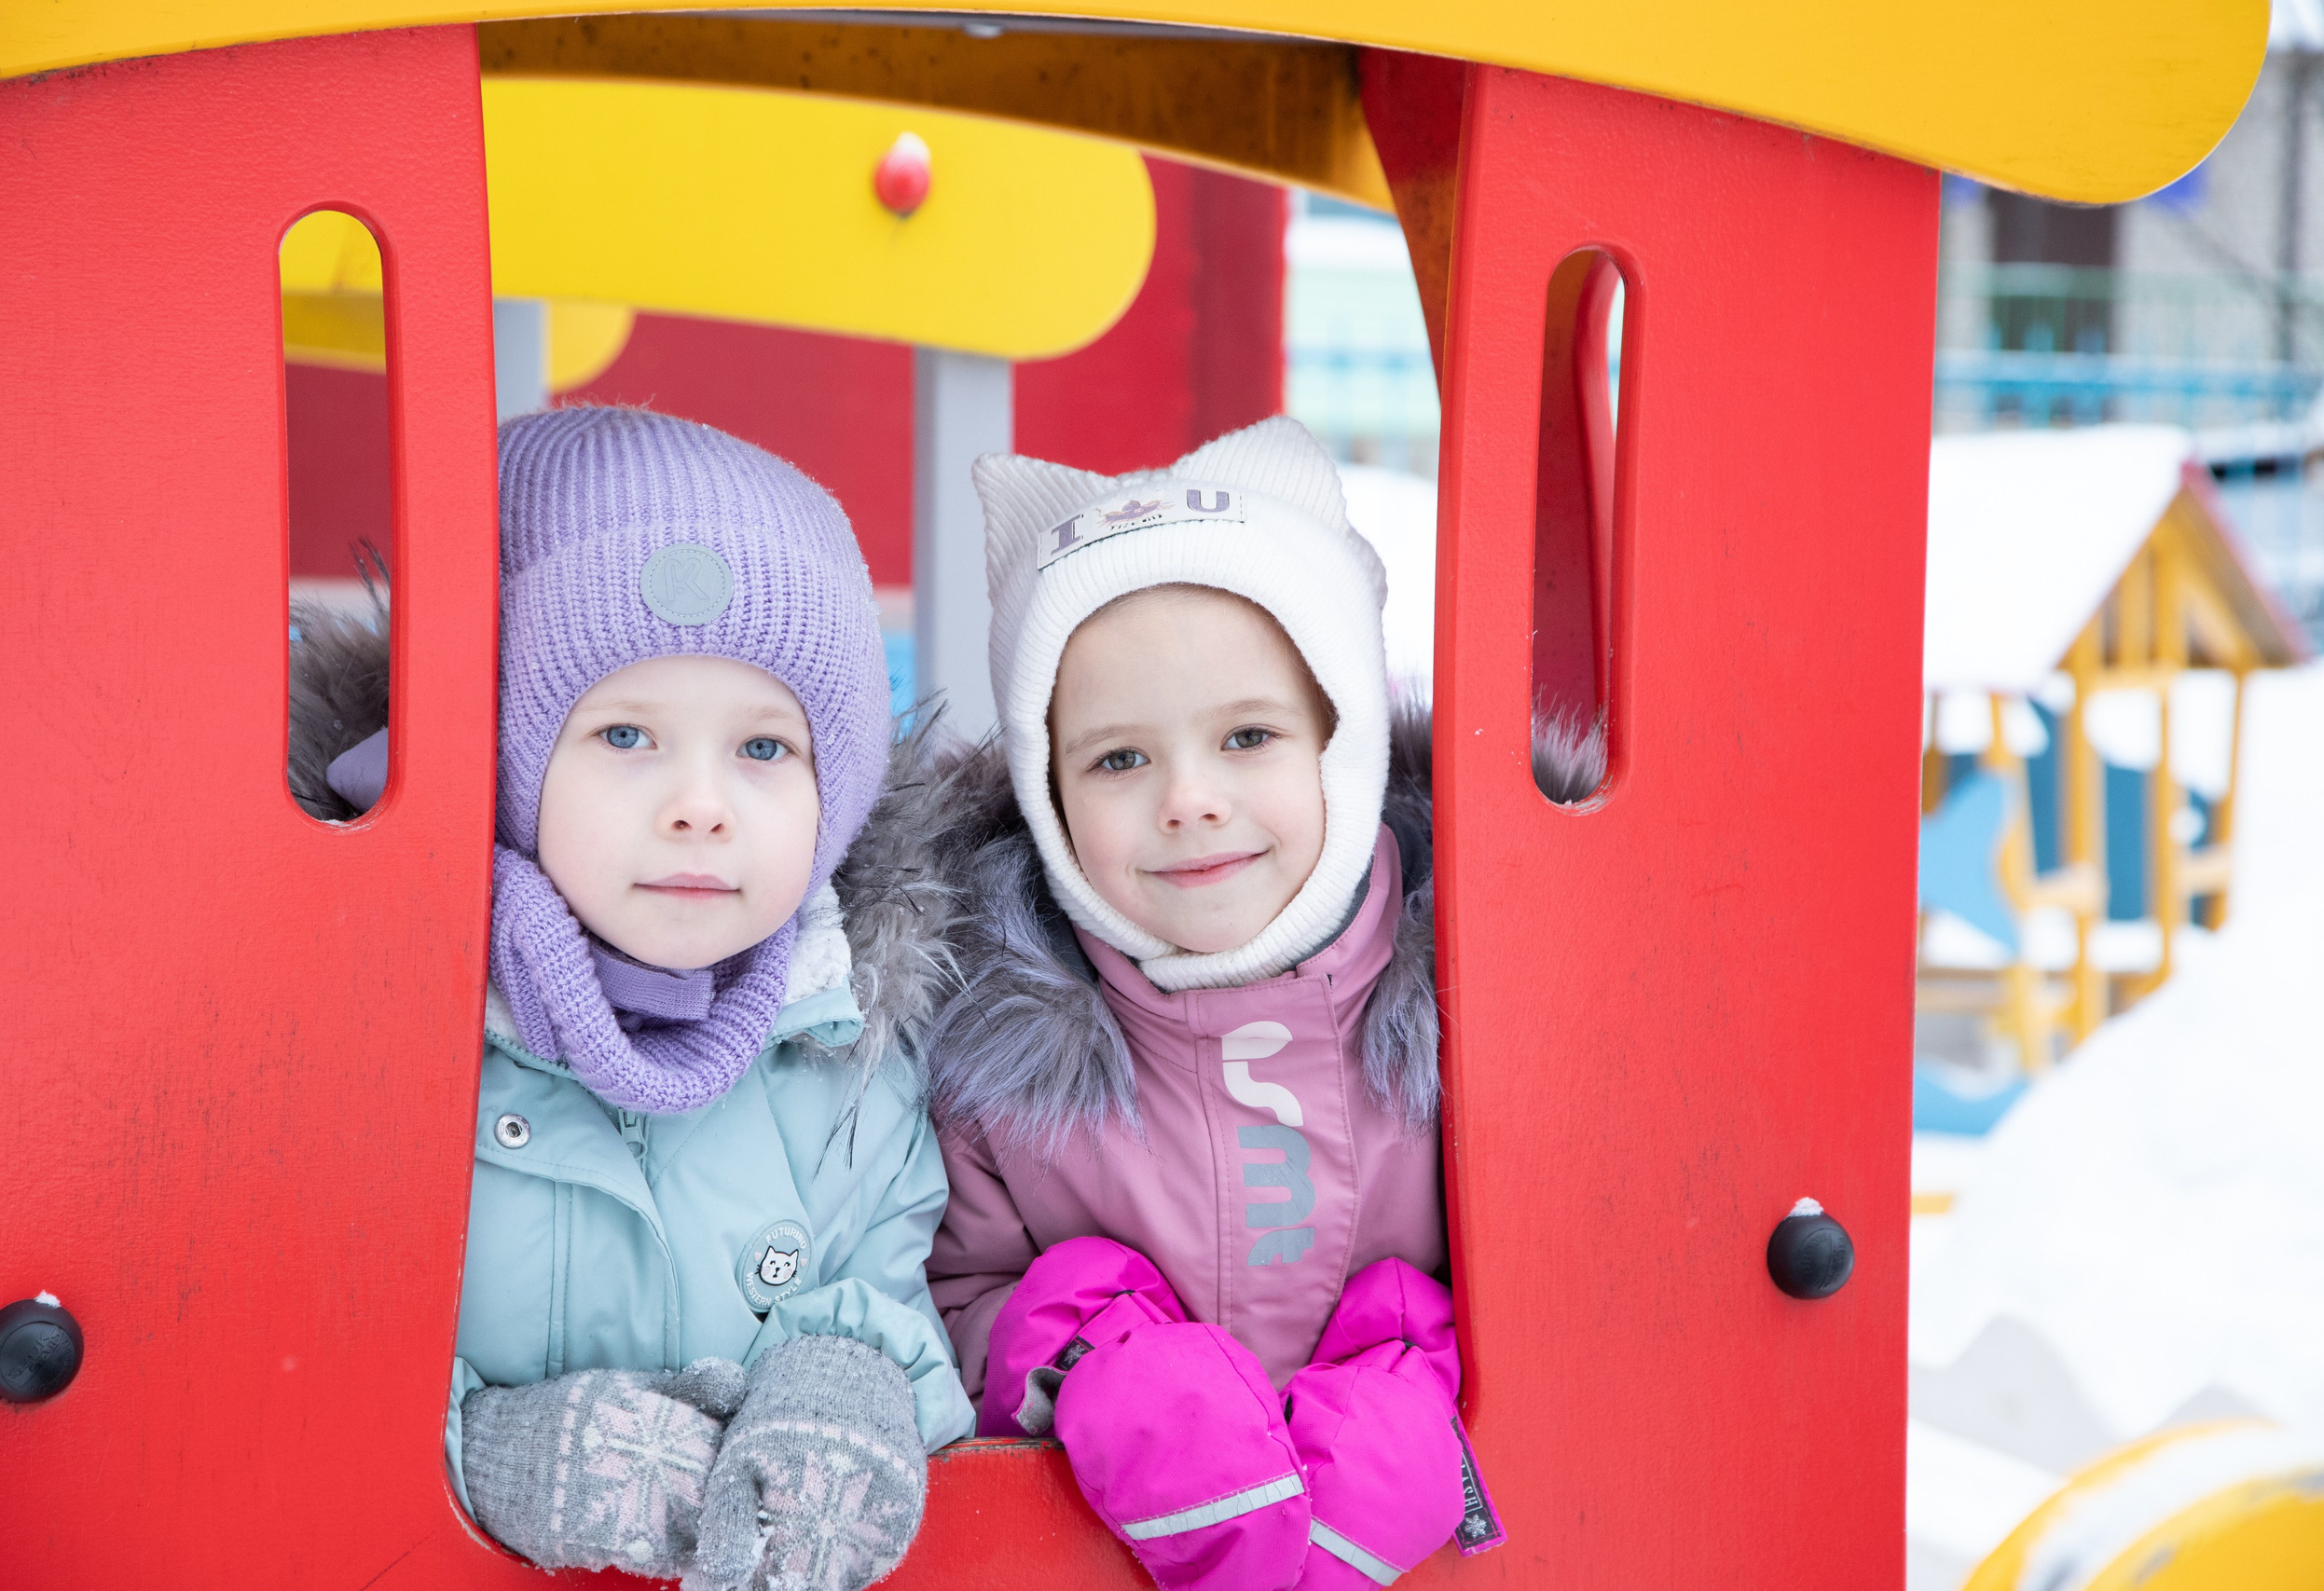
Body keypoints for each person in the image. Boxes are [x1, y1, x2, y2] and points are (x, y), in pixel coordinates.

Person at [902, 417, 1600, 1591]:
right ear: (1046, 788)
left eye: (1247, 737)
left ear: (1344, 743)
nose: (1189, 799)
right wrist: (1086, 1359)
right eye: (1118, 759)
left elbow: (1594, 1270)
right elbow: (949, 1294)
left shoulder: (1487, 993)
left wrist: (1423, 1374)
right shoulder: (994, 1043)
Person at [287, 406, 971, 1591]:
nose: (700, 805)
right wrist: (470, 1447)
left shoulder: (849, 1043)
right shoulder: (377, 1028)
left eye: (764, 750)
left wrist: (856, 1383)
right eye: (624, 734)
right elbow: (278, 1332)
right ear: (500, 759)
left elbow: (893, 1272)